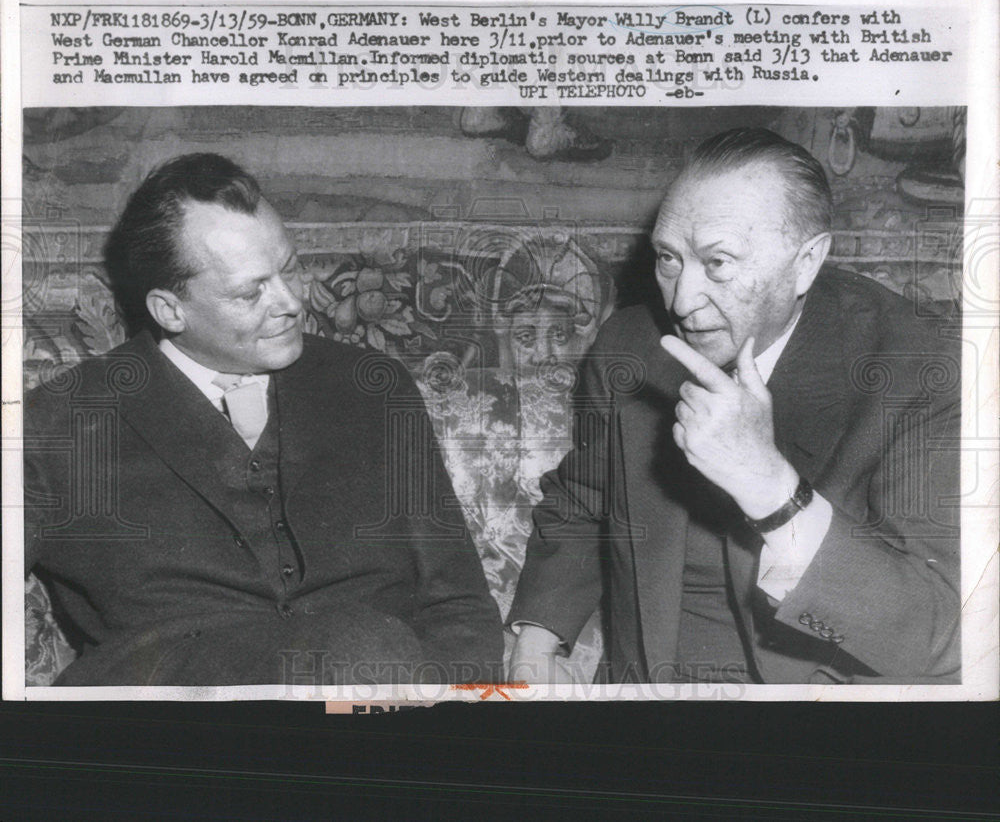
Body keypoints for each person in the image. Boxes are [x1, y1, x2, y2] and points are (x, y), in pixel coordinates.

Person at [24, 152, 503, 687]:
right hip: (174, 725)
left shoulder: (372, 385)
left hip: (370, 703)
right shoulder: (57, 424)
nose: (291, 302)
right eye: (251, 291)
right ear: (169, 310)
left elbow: (456, 600)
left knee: (367, 648)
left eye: (290, 268)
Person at [508, 128, 961, 685]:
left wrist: (773, 490)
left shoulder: (918, 367)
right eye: (668, 259)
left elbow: (942, 635)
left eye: (717, 263)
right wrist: (538, 639)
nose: (681, 299)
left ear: (806, 262)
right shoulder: (629, 347)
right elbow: (586, 499)